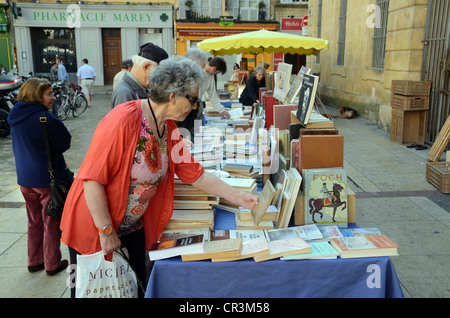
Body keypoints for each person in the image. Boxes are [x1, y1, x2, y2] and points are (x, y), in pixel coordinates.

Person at [60, 56, 258, 298]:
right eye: (193, 99)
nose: (195, 106)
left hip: (132, 227)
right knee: (93, 290)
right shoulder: (123, 120)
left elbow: (196, 175)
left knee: (133, 288)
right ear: (173, 96)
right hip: (96, 225)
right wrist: (106, 230)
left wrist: (240, 197)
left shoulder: (170, 129)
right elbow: (91, 179)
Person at [7, 78, 71, 276]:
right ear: (37, 96)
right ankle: (52, 264)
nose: (53, 98)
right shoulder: (45, 118)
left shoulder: (14, 115)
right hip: (47, 180)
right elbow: (64, 143)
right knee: (50, 222)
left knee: (33, 221)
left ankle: (34, 261)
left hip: (25, 179)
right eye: (48, 94)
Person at [111, 43, 168, 108]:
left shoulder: (140, 88)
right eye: (158, 72)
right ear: (146, 66)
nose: (159, 77)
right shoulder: (124, 93)